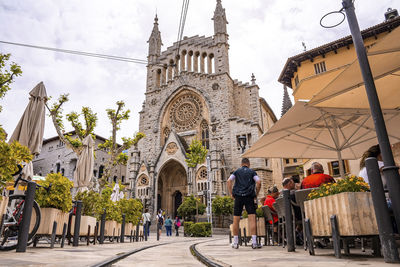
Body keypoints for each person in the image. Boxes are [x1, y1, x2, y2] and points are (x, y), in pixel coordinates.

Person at [227, 158, 262, 249]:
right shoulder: (252, 172)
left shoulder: (236, 172)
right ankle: (254, 243)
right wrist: (256, 194)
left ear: (241, 164)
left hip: (238, 196)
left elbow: (229, 181)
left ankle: (235, 243)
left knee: (236, 219)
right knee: (252, 218)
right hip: (249, 196)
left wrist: (231, 193)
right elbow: (258, 182)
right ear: (248, 164)